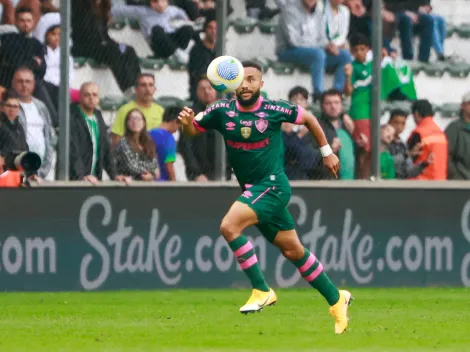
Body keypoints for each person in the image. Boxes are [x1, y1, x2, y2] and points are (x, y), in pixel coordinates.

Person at [178, 61, 352, 334]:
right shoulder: (221, 110)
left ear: (261, 84)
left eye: (252, 79)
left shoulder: (273, 109)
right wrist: (187, 124)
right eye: (242, 79)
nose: (246, 84)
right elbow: (192, 130)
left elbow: (309, 118)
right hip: (251, 190)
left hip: (272, 186)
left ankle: (261, 289)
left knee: (229, 226)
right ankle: (336, 298)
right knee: (293, 250)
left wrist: (327, 151)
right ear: (233, 82)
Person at [69, 82, 131, 184]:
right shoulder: (71, 116)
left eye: (94, 95)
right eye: (87, 95)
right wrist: (80, 176)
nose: (91, 98)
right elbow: (72, 151)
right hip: (74, 181)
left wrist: (115, 175)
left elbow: (106, 149)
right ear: (80, 97)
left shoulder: (97, 115)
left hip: (95, 179)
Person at [111, 73, 165, 147]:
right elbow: (116, 140)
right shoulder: (124, 110)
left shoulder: (161, 111)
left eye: (150, 85)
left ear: (154, 89)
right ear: (136, 89)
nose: (148, 89)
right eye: (143, 85)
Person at [344, 33, 371, 179]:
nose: (360, 52)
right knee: (363, 150)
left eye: (363, 49)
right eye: (356, 50)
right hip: (359, 113)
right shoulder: (352, 67)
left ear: (368, 49)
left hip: (371, 113)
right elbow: (347, 92)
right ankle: (362, 182)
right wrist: (348, 76)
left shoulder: (373, 66)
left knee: (370, 151)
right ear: (352, 52)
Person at [114, 109, 160, 181]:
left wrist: (151, 175)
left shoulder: (149, 142)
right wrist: (151, 172)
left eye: (138, 119)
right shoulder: (123, 142)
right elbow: (132, 166)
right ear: (127, 123)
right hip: (127, 185)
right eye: (131, 119)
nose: (135, 121)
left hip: (146, 185)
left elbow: (155, 164)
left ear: (144, 123)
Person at [407, 99, 447, 180]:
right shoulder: (440, 133)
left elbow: (408, 158)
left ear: (416, 114)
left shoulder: (418, 133)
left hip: (422, 182)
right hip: (440, 180)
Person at [388, 109, 430, 179]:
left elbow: (408, 171)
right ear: (389, 122)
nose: (399, 126)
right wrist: (407, 154)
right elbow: (385, 162)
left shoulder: (403, 145)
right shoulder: (382, 142)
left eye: (402, 123)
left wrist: (423, 164)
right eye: (396, 122)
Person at [149, 106, 181, 181]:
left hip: (148, 180)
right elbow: (168, 164)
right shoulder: (169, 139)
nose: (178, 129)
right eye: (179, 126)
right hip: (163, 182)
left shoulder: (149, 133)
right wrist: (173, 181)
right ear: (175, 121)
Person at [445, 92, 470, 180]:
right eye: (469, 103)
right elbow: (446, 155)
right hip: (461, 183)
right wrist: (457, 178)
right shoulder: (454, 128)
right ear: (462, 106)